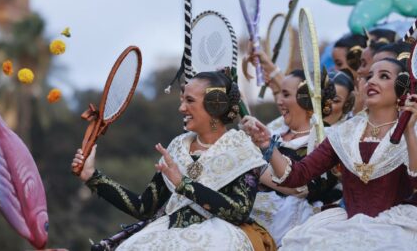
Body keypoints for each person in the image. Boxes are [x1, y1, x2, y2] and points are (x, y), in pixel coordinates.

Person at [244, 58, 417, 250]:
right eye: (369, 76)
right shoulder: (344, 133)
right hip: (344, 222)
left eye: (384, 76)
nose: (372, 81)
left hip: (402, 226)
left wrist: (408, 131)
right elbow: (298, 175)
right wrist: (268, 146)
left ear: (401, 88)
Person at [72, 71, 275, 251]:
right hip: (166, 232)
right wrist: (92, 176)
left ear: (215, 105)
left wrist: (184, 184)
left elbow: (239, 212)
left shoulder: (242, 149)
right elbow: (144, 207)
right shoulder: (178, 147)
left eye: (189, 101)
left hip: (222, 237)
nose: (181, 108)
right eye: (182, 100)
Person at [241, 69, 340, 246]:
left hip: (291, 223)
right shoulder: (275, 132)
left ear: (307, 99)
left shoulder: (327, 139)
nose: (279, 101)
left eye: (286, 94)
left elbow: (302, 188)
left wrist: (251, 165)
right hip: (249, 211)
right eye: (279, 94)